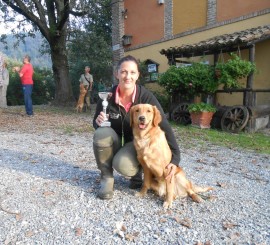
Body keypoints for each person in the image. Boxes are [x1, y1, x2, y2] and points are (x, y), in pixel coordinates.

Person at [93, 55, 181, 200]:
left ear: (138, 75)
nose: (128, 76)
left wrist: (175, 159)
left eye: (132, 72)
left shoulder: (146, 97)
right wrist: (98, 122)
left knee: (124, 165)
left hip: (133, 144)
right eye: (123, 72)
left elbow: (164, 125)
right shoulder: (106, 97)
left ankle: (136, 174)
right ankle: (107, 178)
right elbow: (95, 123)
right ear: (117, 74)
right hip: (113, 139)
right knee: (101, 133)